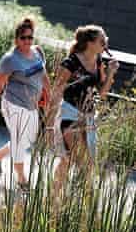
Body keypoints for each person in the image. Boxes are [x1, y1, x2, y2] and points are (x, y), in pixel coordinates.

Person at [0, 18, 51, 191]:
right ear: (16, 39)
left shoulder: (38, 52)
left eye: (30, 37)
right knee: (20, 141)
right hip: (13, 104)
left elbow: (43, 75)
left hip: (32, 105)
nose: (27, 41)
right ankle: (22, 180)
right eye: (23, 38)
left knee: (28, 139)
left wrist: (48, 93)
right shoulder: (10, 59)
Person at [47, 25, 119, 184]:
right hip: (69, 114)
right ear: (90, 42)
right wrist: (50, 125)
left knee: (70, 161)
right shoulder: (71, 63)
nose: (106, 42)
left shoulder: (99, 61)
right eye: (102, 39)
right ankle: (83, 196)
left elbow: (102, 93)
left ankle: (55, 196)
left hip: (89, 116)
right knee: (81, 161)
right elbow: (56, 92)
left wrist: (111, 73)